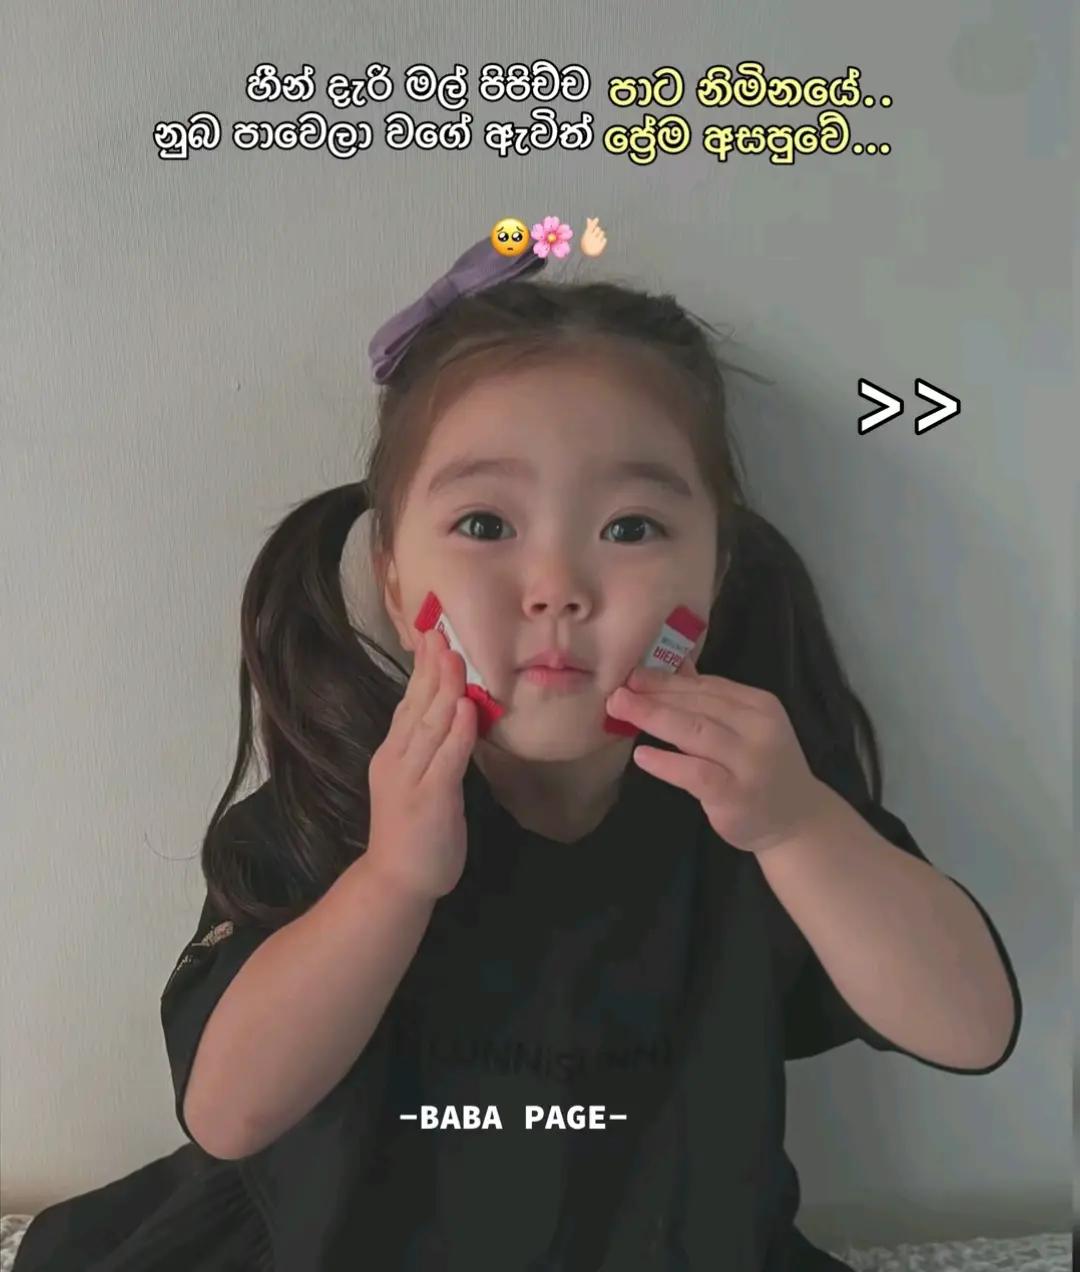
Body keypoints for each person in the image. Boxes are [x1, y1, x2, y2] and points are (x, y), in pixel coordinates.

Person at [14, 235, 1022, 1271]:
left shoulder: (762, 810)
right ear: (396, 582)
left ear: (714, 576)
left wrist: (801, 828)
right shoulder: (327, 810)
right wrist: (392, 881)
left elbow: (972, 1029)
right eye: (486, 523)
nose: (557, 588)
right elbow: (228, 1117)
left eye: (631, 528)